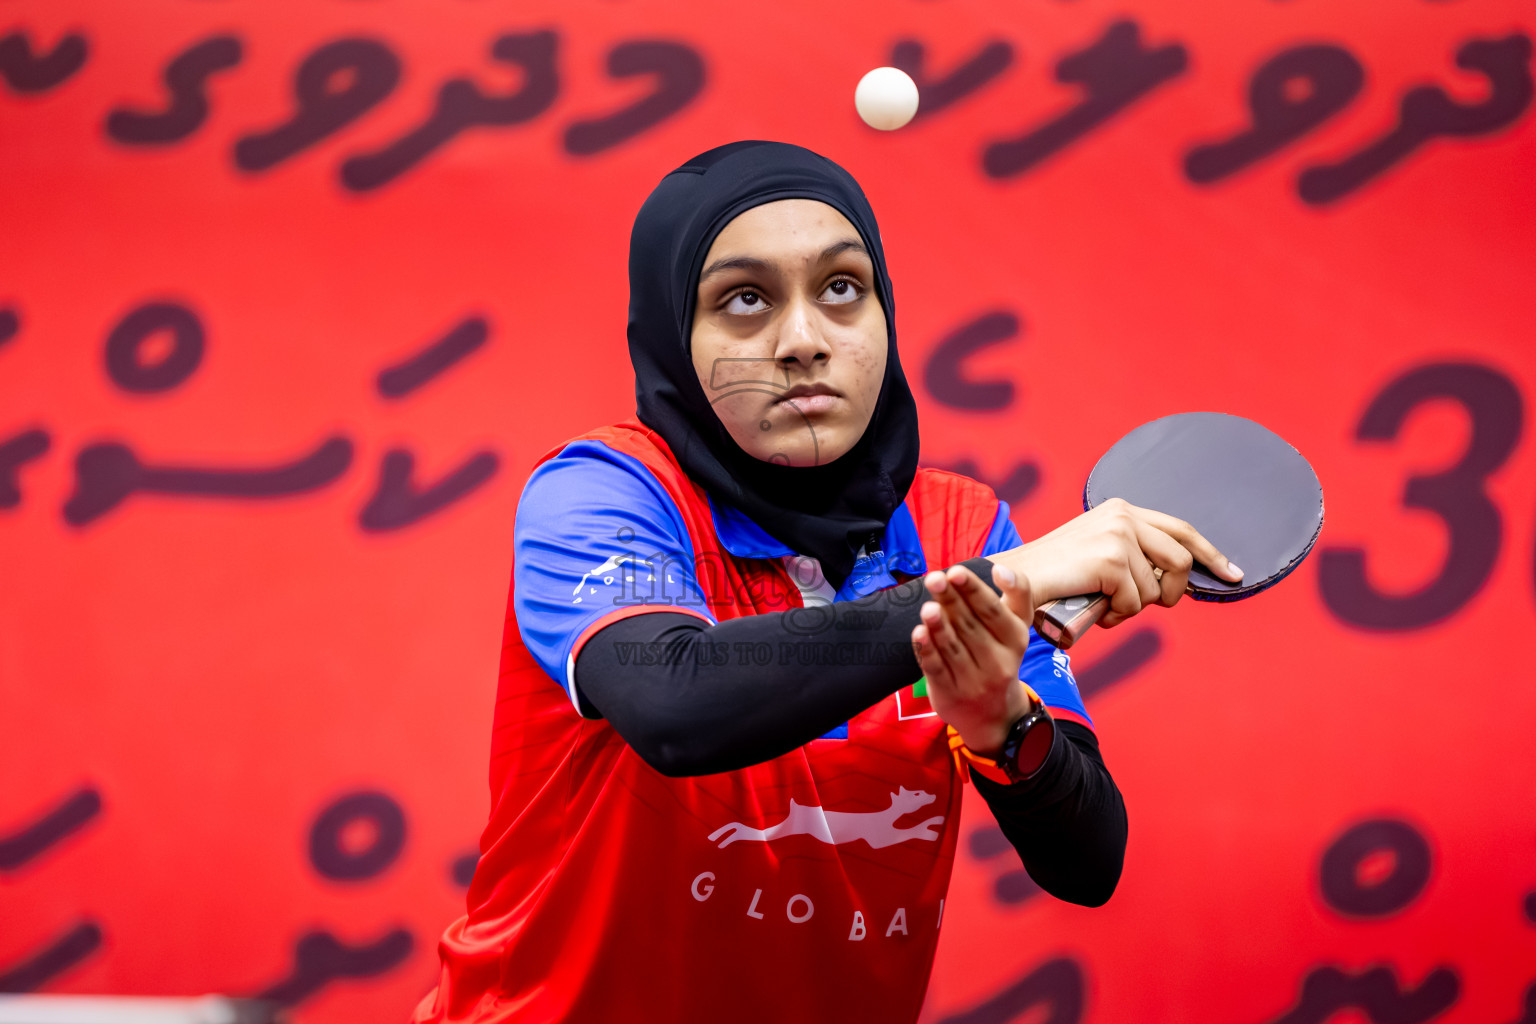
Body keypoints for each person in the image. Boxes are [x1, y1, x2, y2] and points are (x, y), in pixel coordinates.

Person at [413, 140, 1241, 1023]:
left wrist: (1005, 727)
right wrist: (993, 585)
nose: (804, 341)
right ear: (672, 337)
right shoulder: (602, 493)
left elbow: (1088, 865)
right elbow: (674, 706)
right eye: (744, 299)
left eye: (843, 288)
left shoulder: (960, 529)